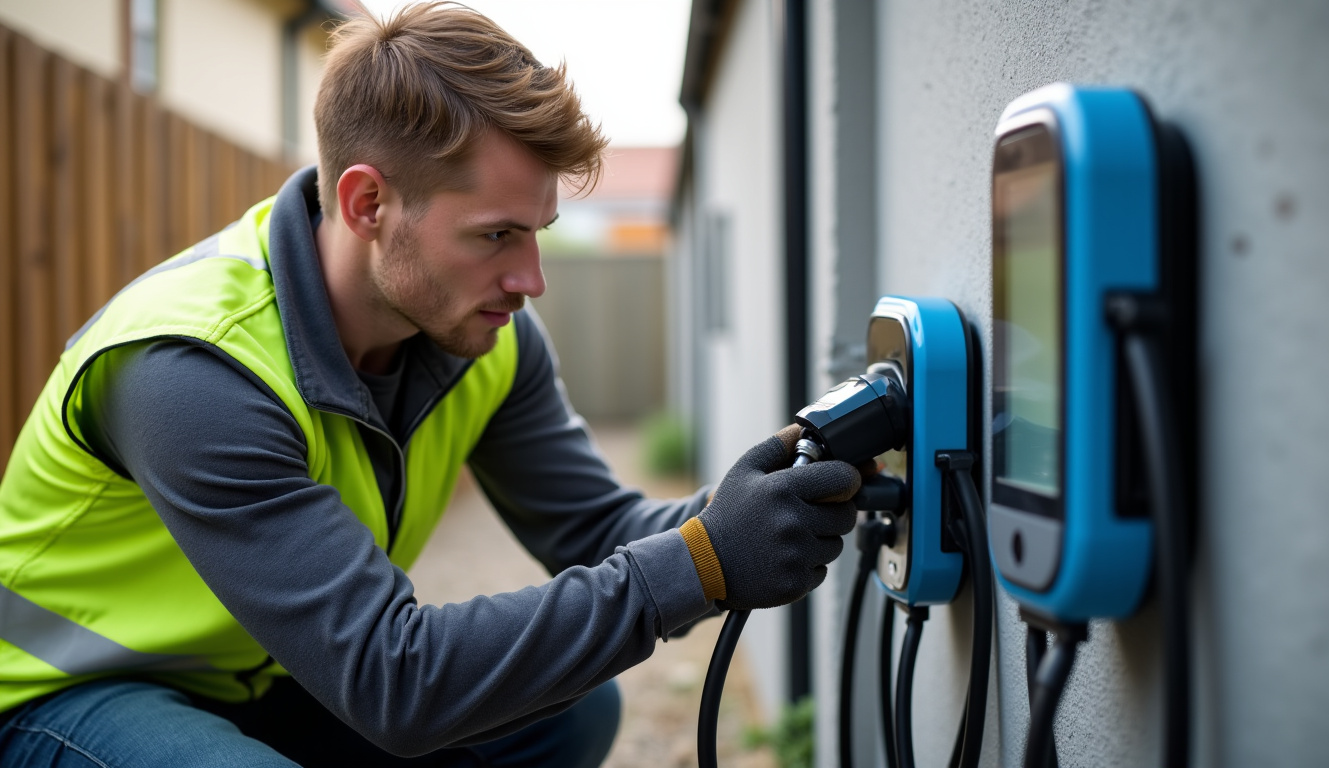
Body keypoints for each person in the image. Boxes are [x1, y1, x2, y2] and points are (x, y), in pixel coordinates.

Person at [0, 4, 861, 766]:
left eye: (538, 232)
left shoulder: (484, 338)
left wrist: (767, 503)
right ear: (368, 204)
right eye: (495, 235)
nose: (530, 280)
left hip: (256, 677)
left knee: (565, 716)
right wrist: (704, 561)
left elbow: (595, 530)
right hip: (62, 696)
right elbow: (395, 682)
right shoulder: (193, 370)